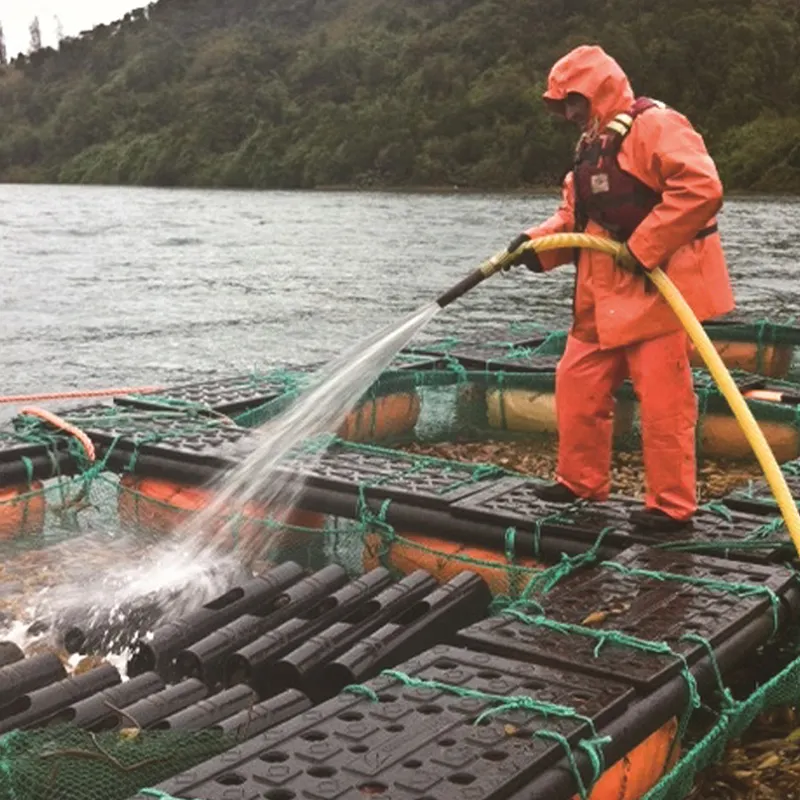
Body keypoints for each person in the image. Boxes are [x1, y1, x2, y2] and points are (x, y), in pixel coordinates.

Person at [506, 44, 735, 530]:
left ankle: (671, 508)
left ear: (596, 90)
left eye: (573, 101)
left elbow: (702, 188)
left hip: (656, 296)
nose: (569, 113)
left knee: (664, 405)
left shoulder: (656, 126)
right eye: (563, 104)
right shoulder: (590, 146)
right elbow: (576, 219)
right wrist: (532, 245)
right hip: (598, 298)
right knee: (576, 384)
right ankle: (579, 483)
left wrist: (645, 247)